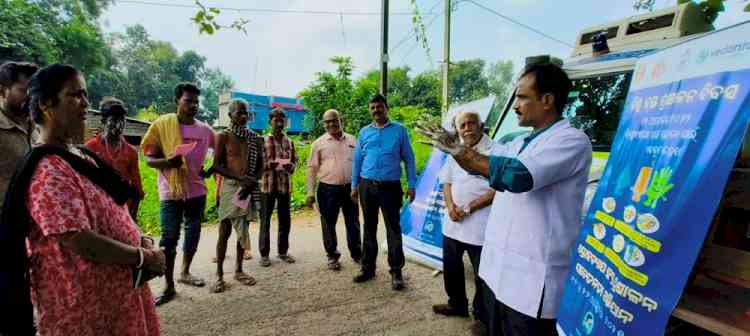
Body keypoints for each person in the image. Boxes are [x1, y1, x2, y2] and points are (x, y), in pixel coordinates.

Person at [418, 63, 592, 335]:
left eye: (522, 97)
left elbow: (518, 176)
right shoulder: (518, 142)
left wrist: (461, 151)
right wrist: (459, 151)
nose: (515, 105)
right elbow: (482, 167)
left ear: (547, 100)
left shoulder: (570, 140)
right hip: (498, 273)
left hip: (531, 284)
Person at [0, 64, 164, 335]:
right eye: (75, 95)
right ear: (46, 105)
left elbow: (114, 208)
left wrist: (138, 237)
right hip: (85, 308)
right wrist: (142, 258)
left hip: (117, 297)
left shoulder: (80, 156)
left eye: (85, 94)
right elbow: (79, 240)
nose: (86, 103)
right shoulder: (47, 168)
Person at [141, 82, 215, 305]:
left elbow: (219, 150)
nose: (193, 105)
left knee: (193, 234)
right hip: (170, 193)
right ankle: (169, 285)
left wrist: (209, 169)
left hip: (197, 191)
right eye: (188, 101)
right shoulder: (162, 125)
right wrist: (168, 162)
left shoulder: (204, 130)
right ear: (177, 101)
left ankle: (185, 272)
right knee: (169, 239)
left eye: (196, 102)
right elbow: (149, 158)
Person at [432, 112, 494, 326]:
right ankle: (456, 304)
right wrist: (451, 206)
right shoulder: (454, 151)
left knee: (482, 275)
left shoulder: (494, 151)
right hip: (453, 223)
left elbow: (497, 190)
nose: (467, 128)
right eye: (462, 125)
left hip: (480, 227)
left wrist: (468, 208)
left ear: (481, 125)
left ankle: (481, 316)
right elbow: (446, 182)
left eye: (471, 123)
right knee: (452, 267)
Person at [351, 93, 417, 290]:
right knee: (369, 228)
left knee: (393, 229)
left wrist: (411, 184)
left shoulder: (400, 131)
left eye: (379, 106)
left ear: (386, 108)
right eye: (372, 107)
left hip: (390, 187)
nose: (376, 110)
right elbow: (357, 161)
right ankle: (368, 269)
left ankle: (396, 272)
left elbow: (410, 159)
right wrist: (354, 185)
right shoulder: (364, 132)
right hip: (366, 185)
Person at [210, 99, 263, 292]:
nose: (243, 116)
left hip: (247, 188)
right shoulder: (223, 136)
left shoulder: (254, 138)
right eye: (239, 113)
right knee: (224, 231)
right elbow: (216, 166)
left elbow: (261, 166)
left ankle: (239, 270)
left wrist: (251, 181)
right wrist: (240, 178)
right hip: (230, 187)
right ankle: (219, 275)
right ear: (230, 115)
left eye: (245, 113)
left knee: (243, 230)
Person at [306, 109, 362, 271]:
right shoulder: (318, 143)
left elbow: (360, 164)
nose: (331, 124)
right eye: (327, 122)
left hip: (350, 189)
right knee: (328, 223)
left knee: (353, 222)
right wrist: (310, 193)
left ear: (340, 120)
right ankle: (332, 255)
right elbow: (311, 169)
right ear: (324, 124)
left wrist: (358, 186)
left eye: (334, 120)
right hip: (327, 190)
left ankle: (357, 253)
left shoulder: (353, 140)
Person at [85, 97, 144, 220]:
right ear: (103, 121)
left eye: (122, 119)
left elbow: (137, 188)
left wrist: (132, 219)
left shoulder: (131, 151)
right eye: (114, 119)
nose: (119, 124)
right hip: (98, 211)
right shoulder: (90, 148)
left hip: (123, 212)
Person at [259, 107, 297, 267]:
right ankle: (264, 255)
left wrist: (291, 167)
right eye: (276, 120)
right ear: (270, 122)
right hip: (267, 186)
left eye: (283, 120)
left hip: (284, 187)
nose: (280, 123)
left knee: (285, 221)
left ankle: (282, 252)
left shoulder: (290, 141)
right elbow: (256, 166)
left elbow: (295, 162)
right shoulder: (262, 141)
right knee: (265, 221)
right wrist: (269, 165)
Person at [0, 61, 39, 218]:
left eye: (34, 91)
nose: (31, 97)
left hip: (29, 220)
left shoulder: (38, 127)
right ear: (2, 91)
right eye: (24, 91)